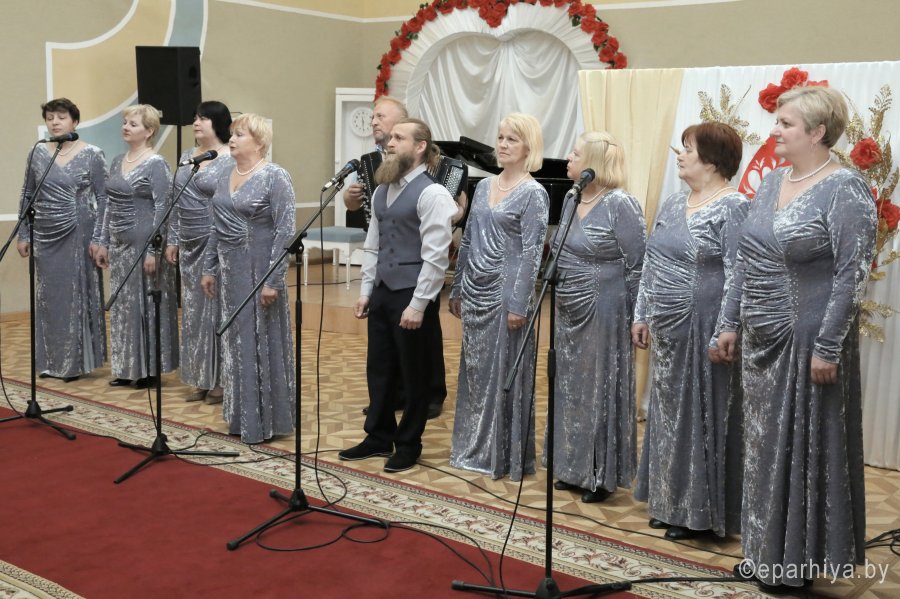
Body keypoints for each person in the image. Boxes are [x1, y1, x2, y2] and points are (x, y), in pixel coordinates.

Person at [715, 86, 876, 593]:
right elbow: (745, 260)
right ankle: (764, 552)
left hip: (809, 341)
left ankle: (795, 562)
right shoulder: (771, 183)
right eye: (777, 121)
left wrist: (828, 346)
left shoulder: (845, 188)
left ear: (818, 131)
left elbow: (852, 275)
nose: (775, 131)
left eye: (785, 123)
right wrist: (728, 322)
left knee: (800, 448)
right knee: (763, 449)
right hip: (760, 341)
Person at [632, 123, 748, 539]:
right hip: (667, 328)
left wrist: (726, 327)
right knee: (668, 415)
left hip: (705, 327)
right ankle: (668, 500)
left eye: (688, 149)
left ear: (712, 161)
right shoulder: (672, 203)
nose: (679, 155)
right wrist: (641, 314)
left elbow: (740, 274)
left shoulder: (734, 206)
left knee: (700, 416)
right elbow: (651, 262)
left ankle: (698, 513)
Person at [338, 117, 456, 473]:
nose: (389, 143)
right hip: (383, 291)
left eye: (398, 138)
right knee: (380, 368)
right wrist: (366, 291)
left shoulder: (433, 194)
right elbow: (373, 245)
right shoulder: (381, 190)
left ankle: (408, 444)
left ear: (419, 147)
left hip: (412, 292)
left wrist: (419, 304)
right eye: (389, 138)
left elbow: (436, 256)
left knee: (414, 373)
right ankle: (378, 435)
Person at [546, 132, 646, 503]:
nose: (567, 159)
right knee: (571, 387)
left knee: (599, 387)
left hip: (605, 306)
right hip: (569, 306)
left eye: (575, 154)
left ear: (593, 162)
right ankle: (572, 467)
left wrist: (637, 316)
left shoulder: (621, 203)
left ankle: (600, 474)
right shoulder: (572, 197)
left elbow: (638, 264)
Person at [449, 113, 549, 481]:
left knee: (503, 373)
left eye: (512, 139)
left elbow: (533, 253)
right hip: (476, 289)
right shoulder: (483, 187)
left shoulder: (534, 193)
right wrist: (458, 285)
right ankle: (472, 448)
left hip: (508, 293)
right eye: (501, 137)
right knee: (475, 373)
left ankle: (502, 455)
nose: (503, 144)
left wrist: (520, 303)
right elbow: (469, 239)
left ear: (528, 147)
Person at [200, 113, 296, 444]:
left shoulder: (275, 176)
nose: (232, 139)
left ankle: (265, 420)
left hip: (260, 271)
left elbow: (285, 232)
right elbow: (217, 225)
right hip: (230, 275)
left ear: (259, 142)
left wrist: (273, 280)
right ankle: (241, 417)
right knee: (236, 345)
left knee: (259, 341)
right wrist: (209, 267)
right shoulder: (225, 172)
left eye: (240, 134)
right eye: (232, 133)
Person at [16, 98, 107, 382]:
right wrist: (23, 233)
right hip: (45, 234)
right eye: (50, 117)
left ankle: (75, 363)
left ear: (75, 122)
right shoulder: (38, 153)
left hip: (80, 231)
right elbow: (27, 194)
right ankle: (51, 361)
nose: (55, 122)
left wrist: (100, 238)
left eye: (61, 117)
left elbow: (104, 199)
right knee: (49, 297)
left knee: (74, 295)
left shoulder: (92, 154)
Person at [95, 104, 178, 388]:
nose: (126, 127)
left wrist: (155, 249)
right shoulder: (117, 161)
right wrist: (103, 241)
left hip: (144, 241)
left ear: (149, 131)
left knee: (145, 305)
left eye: (133, 124)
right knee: (124, 306)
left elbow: (163, 207)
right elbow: (108, 204)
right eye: (125, 123)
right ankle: (128, 367)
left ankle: (149, 369)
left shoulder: (156, 163)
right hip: (119, 242)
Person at [165, 101, 233, 405]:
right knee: (193, 313)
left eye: (203, 118)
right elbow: (176, 200)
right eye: (195, 117)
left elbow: (227, 204)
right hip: (188, 244)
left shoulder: (229, 157)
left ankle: (219, 380)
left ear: (218, 123)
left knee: (214, 311)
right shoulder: (186, 156)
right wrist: (173, 240)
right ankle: (200, 377)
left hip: (214, 242)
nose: (196, 122)